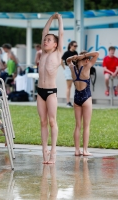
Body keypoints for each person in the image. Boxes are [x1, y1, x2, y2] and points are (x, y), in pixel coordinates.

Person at [37, 13, 63, 164]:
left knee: (52, 121)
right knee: (42, 122)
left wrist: (59, 19)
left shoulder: (58, 53)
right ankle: (44, 151)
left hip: (51, 92)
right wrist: (50, 18)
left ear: (55, 44)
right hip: (40, 92)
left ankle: (53, 151)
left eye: (49, 40)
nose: (46, 41)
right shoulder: (43, 54)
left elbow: (60, 33)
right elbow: (43, 32)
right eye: (45, 40)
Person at [66, 50, 99, 156]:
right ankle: (85, 150)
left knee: (78, 126)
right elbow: (97, 53)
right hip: (86, 98)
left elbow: (67, 60)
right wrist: (84, 56)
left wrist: (75, 57)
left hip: (77, 99)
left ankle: (76, 150)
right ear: (85, 60)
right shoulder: (87, 67)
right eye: (87, 59)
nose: (89, 60)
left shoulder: (72, 68)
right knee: (86, 126)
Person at [61, 41, 78, 107]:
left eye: (76, 46)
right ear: (71, 46)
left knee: (76, 85)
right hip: (68, 69)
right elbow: (61, 60)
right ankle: (68, 102)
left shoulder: (76, 53)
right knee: (69, 86)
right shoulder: (67, 53)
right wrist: (64, 68)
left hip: (74, 68)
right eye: (74, 46)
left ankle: (76, 101)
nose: (75, 47)